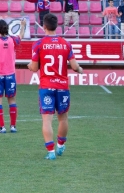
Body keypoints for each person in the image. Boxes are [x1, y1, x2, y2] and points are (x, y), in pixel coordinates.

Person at [28, 14, 84, 160]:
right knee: (63, 118)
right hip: (62, 86)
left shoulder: (38, 44)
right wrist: (79, 69)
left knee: (47, 120)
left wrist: (30, 66)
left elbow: (34, 68)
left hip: (46, 86)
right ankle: (60, 146)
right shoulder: (66, 44)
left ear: (44, 26)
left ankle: (51, 152)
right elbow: (74, 66)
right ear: (57, 26)